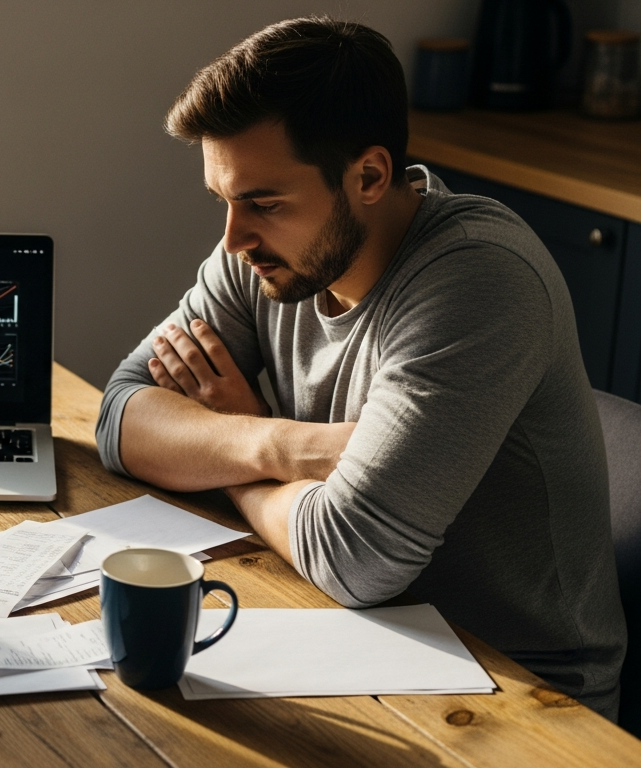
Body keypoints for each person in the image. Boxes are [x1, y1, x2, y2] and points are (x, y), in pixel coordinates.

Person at [97, 17, 625, 718]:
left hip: (519, 690)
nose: (233, 237)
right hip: (348, 633)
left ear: (370, 176)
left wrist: (227, 450)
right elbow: (121, 415)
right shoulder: (260, 257)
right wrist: (281, 445)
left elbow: (354, 558)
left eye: (263, 202)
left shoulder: (480, 279)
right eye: (223, 200)